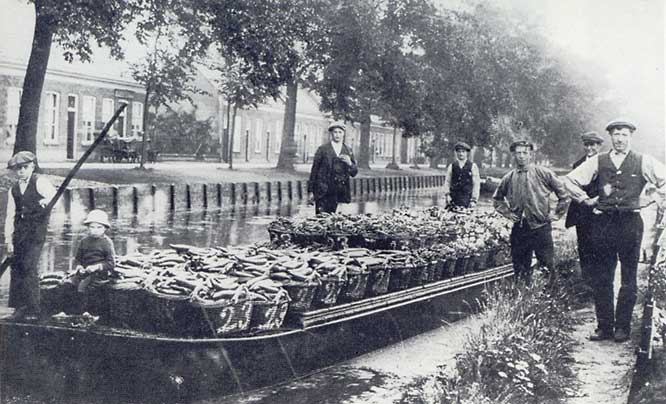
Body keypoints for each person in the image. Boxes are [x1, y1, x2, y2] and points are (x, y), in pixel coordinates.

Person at [565, 120, 666, 343]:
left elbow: (664, 181)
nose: (620, 138)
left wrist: (652, 198)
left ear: (631, 136)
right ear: (610, 137)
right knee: (603, 276)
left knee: (629, 278)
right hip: (603, 224)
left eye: (624, 134)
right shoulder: (598, 161)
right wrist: (585, 199)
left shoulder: (642, 161)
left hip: (630, 223)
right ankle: (604, 327)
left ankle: (622, 327)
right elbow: (569, 181)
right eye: (616, 134)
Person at [493, 140, 570, 284]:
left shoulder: (543, 173)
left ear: (530, 155)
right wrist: (509, 213)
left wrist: (556, 214)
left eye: (524, 153)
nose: (521, 156)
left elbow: (564, 194)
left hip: (540, 227)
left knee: (547, 265)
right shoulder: (508, 177)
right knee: (520, 267)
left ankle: (552, 299)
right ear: (514, 156)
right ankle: (524, 299)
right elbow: (497, 200)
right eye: (518, 153)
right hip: (520, 228)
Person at [4, 151, 56, 321]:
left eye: (24, 167)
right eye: (17, 169)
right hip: (19, 233)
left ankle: (34, 308)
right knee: (17, 267)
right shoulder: (14, 189)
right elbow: (10, 215)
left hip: (35, 233)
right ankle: (19, 307)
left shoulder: (40, 182)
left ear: (32, 166)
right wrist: (8, 239)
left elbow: (53, 196)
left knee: (29, 266)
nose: (21, 171)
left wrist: (45, 202)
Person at [564, 132, 604, 288]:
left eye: (593, 144)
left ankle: (600, 281)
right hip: (582, 212)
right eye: (587, 144)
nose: (590, 148)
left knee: (600, 245)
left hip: (600, 212)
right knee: (584, 246)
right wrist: (585, 200)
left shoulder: (605, 164)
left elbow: (610, 186)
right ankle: (587, 282)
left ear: (599, 146)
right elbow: (572, 187)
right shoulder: (577, 164)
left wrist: (599, 199)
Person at [307, 121, 359, 214]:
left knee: (334, 220)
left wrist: (350, 163)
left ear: (343, 134)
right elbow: (314, 170)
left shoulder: (348, 150)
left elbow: (354, 173)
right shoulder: (322, 149)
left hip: (339, 192)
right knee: (321, 219)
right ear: (331, 134)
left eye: (340, 132)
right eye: (335, 132)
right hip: (323, 190)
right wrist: (311, 191)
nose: (337, 135)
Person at [70, 209, 116, 294]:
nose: (95, 230)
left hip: (99, 274)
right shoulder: (84, 241)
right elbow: (77, 259)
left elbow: (111, 263)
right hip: (84, 272)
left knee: (84, 288)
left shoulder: (106, 242)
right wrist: (79, 267)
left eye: (99, 227)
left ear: (105, 228)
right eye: (92, 227)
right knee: (70, 285)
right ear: (88, 227)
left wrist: (96, 267)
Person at [442, 141, 481, 208]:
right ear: (456, 153)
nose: (461, 154)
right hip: (453, 199)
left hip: (467, 199)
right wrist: (447, 195)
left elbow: (476, 184)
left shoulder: (473, 166)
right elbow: (447, 182)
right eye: (459, 152)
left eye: (463, 151)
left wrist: (474, 200)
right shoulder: (452, 166)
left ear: (466, 153)